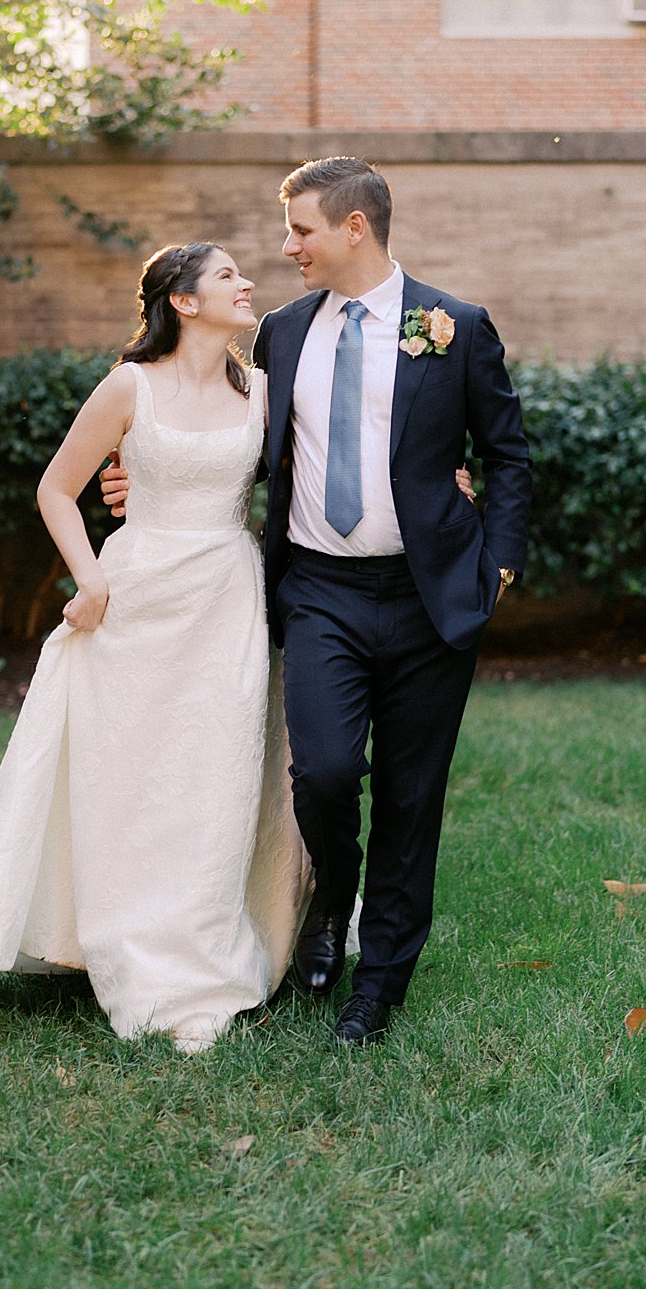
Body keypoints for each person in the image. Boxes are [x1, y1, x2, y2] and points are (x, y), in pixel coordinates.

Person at [105, 156, 531, 1047]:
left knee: (413, 796)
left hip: (428, 599)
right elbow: (239, 442)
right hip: (321, 589)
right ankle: (331, 899)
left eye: (299, 229)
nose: (286, 246)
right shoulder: (283, 335)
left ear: (353, 229)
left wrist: (499, 561)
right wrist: (142, 480)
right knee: (326, 772)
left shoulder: (456, 326)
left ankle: (378, 986)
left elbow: (509, 455)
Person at [0, 242, 310, 1053]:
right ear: (182, 301)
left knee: (212, 776)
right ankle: (125, 946)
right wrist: (89, 578)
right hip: (136, 597)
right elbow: (56, 489)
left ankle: (204, 956)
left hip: (225, 599)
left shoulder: (261, 391)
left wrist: (444, 480)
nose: (247, 283)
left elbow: (328, 466)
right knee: (132, 780)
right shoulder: (128, 386)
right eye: (226, 276)